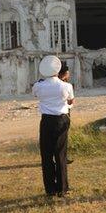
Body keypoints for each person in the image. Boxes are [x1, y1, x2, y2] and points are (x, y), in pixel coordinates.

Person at [33, 55, 74, 197]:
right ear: (58, 70)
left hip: (46, 121)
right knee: (60, 154)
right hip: (61, 120)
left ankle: (50, 189)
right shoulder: (66, 86)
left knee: (46, 155)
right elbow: (70, 101)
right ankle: (62, 188)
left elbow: (35, 94)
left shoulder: (38, 85)